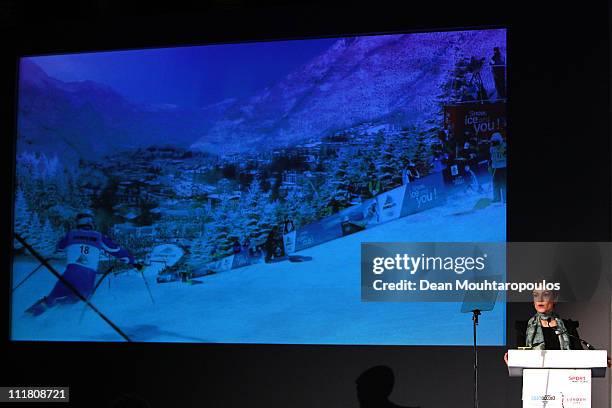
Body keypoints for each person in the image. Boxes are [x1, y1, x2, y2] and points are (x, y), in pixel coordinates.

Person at [26, 212, 141, 316]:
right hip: (87, 277)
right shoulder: (99, 237)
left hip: (70, 274)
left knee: (52, 300)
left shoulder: (70, 235)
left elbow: (59, 249)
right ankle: (63, 325)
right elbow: (118, 252)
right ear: (91, 223)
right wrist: (134, 262)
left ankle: (28, 318)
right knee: (73, 302)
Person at [504, 289, 582, 365]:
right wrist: (514, 363)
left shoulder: (568, 327)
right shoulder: (523, 328)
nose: (540, 299)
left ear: (554, 299)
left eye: (545, 294)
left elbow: (581, 359)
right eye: (536, 295)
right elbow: (522, 361)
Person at [489, 132, 507, 203]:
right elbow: (491, 157)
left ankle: (505, 198)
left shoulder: (504, 146)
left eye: (496, 141)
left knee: (504, 183)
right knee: (495, 183)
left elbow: (505, 155)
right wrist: (490, 165)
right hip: (494, 167)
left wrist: (500, 148)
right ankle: (497, 198)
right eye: (493, 141)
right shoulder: (492, 148)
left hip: (503, 167)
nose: (494, 143)